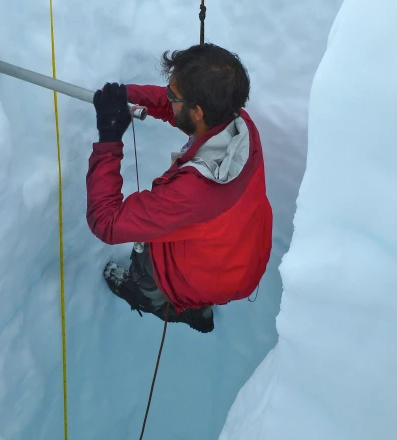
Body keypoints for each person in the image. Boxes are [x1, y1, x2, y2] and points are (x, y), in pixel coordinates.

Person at [86, 43, 272, 334]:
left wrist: (109, 138)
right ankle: (201, 306)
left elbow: (106, 221)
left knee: (147, 256)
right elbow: (178, 110)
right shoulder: (239, 126)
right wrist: (128, 95)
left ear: (197, 111)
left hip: (215, 275)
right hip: (242, 255)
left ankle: (156, 300)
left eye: (173, 95)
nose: (167, 97)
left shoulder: (192, 192)